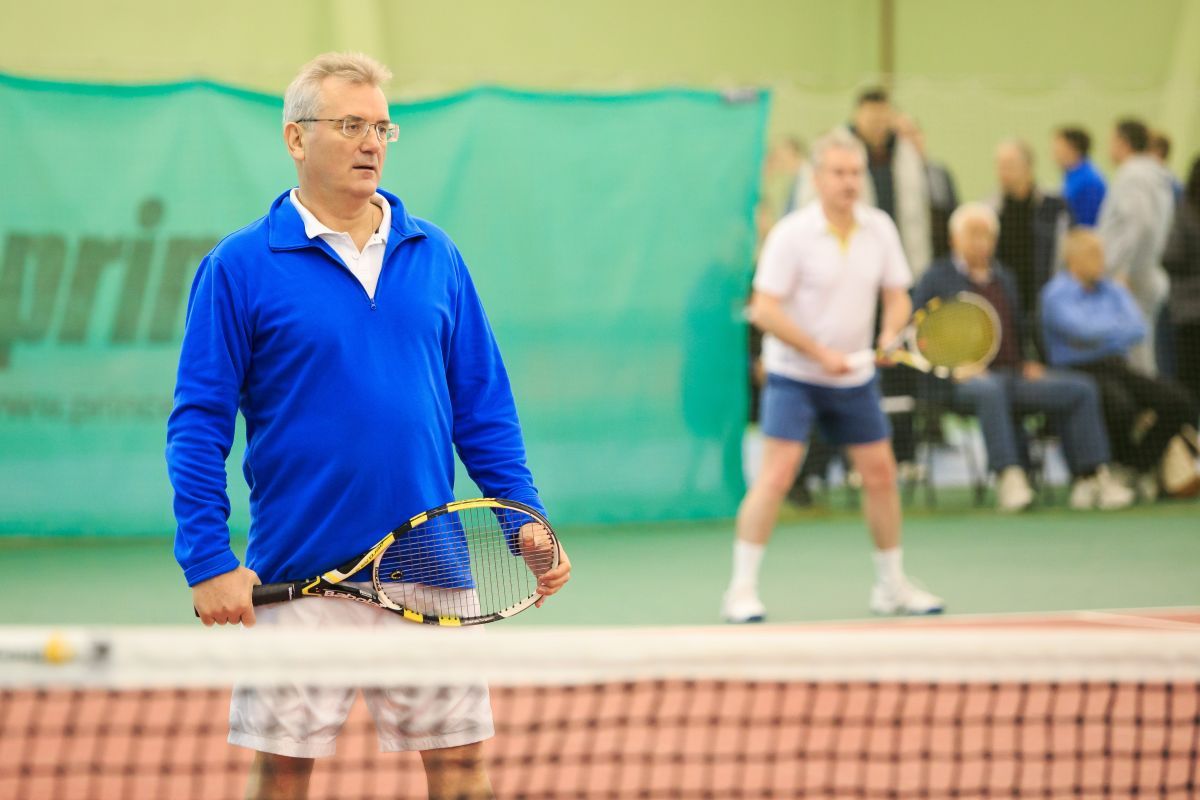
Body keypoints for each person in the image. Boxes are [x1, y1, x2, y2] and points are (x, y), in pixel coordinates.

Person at [165, 52, 571, 800]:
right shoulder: (238, 267)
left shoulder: (436, 255)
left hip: (434, 568)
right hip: (297, 575)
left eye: (382, 127)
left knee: (461, 768)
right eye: (350, 125)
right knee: (281, 776)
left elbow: (484, 406)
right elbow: (198, 425)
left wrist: (523, 516)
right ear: (296, 137)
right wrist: (208, 560)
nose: (371, 143)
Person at [721, 128, 944, 624]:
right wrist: (819, 353)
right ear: (817, 178)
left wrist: (890, 334)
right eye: (839, 173)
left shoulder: (879, 228)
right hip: (794, 376)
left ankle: (891, 586)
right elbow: (764, 309)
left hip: (854, 379)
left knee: (880, 474)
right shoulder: (791, 234)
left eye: (855, 173)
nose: (849, 182)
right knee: (777, 475)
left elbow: (897, 294)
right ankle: (740, 590)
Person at [913, 203, 1134, 513]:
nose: (980, 242)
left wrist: (1026, 361)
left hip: (1013, 375)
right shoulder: (935, 279)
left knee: (1080, 388)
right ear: (954, 240)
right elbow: (920, 336)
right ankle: (1010, 477)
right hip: (959, 382)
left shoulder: (1005, 277)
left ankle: (1090, 475)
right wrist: (952, 367)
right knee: (989, 390)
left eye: (986, 235)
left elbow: (1019, 329)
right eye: (972, 234)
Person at [1041, 229, 1197, 498]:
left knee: (1178, 401)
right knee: (1120, 405)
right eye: (1094, 254)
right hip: (1077, 369)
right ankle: (1114, 467)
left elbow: (1137, 328)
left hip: (1117, 365)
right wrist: (1112, 329)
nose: (1102, 260)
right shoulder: (1056, 293)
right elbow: (1081, 331)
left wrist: (1099, 333)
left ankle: (1134, 467)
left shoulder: (1112, 289)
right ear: (1074, 259)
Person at [1096, 118, 1175, 375]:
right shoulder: (1155, 175)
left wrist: (1124, 269)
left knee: (1134, 354)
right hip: (1143, 271)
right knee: (1139, 349)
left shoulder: (1133, 175)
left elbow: (1140, 225)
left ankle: (1147, 400)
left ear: (1122, 143)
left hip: (1131, 277)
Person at [990, 139, 1071, 321]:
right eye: (999, 165)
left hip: (1046, 297)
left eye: (1009, 165)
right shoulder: (992, 210)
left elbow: (1066, 251)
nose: (1002, 172)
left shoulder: (1054, 206)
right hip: (1008, 301)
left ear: (1028, 166)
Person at [895, 113, 959, 261]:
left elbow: (953, 217)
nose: (910, 140)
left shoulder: (939, 175)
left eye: (914, 132)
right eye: (902, 136)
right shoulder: (891, 180)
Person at [1164, 156, 1200, 408]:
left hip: (1189, 310)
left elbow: (1171, 257)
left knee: (1188, 381)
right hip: (1190, 310)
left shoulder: (1187, 211)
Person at [1052, 126, 1106, 227]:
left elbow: (1088, 224)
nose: (1054, 153)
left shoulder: (1089, 180)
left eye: (1058, 147)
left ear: (1072, 148)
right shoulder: (1071, 175)